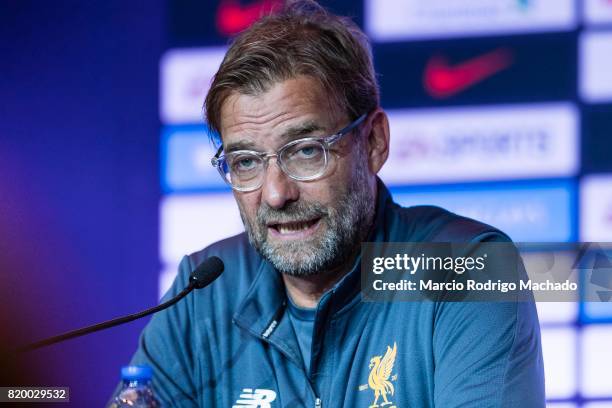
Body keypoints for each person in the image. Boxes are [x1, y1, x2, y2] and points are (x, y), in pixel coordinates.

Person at [125, 1, 545, 406]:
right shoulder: (202, 293)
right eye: (247, 161)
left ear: (374, 142)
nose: (276, 193)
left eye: (306, 151)